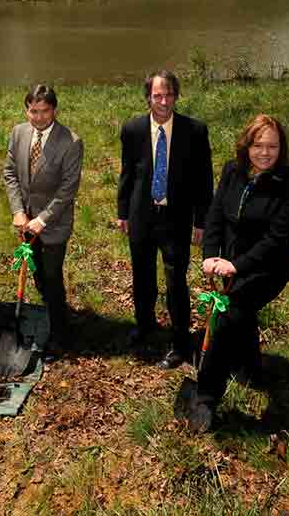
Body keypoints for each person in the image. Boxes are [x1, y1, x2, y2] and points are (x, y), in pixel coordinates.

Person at [178, 113, 289, 432]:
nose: (265, 153)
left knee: (224, 319)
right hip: (229, 266)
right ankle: (251, 368)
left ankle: (206, 396)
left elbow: (276, 239)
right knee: (241, 314)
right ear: (246, 145)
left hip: (267, 269)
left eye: (273, 147)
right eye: (258, 145)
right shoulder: (232, 171)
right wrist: (210, 254)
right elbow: (216, 217)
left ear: (282, 148)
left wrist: (236, 265)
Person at [117, 70, 213, 369]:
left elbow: (203, 179)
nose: (163, 101)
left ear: (176, 95)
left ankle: (179, 340)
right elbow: (127, 174)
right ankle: (144, 325)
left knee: (176, 281)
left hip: (176, 219)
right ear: (148, 97)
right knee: (142, 277)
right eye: (157, 95)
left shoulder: (194, 130)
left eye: (168, 94)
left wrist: (200, 221)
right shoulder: (133, 129)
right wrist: (123, 213)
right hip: (141, 216)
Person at [3, 84, 83, 353]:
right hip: (25, 221)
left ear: (54, 110)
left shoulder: (70, 142)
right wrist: (18, 211)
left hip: (53, 225)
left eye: (44, 111)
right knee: (37, 273)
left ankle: (61, 333)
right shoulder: (18, 133)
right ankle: (49, 309)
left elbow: (67, 189)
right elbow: (10, 173)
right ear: (26, 110)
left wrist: (43, 219)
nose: (38, 118)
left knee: (51, 276)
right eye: (33, 111)